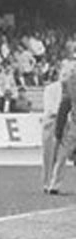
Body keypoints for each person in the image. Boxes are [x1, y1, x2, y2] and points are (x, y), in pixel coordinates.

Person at [41, 62, 72, 193]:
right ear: (59, 74)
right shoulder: (51, 89)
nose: (66, 77)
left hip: (67, 124)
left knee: (62, 155)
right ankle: (46, 183)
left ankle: (55, 184)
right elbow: (50, 108)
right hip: (51, 123)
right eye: (64, 74)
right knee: (49, 155)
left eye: (69, 74)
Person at [48, 65, 76, 194]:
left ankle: (55, 184)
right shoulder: (70, 84)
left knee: (63, 155)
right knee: (63, 154)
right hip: (74, 125)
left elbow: (64, 107)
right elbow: (64, 106)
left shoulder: (69, 83)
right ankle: (54, 184)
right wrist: (59, 128)